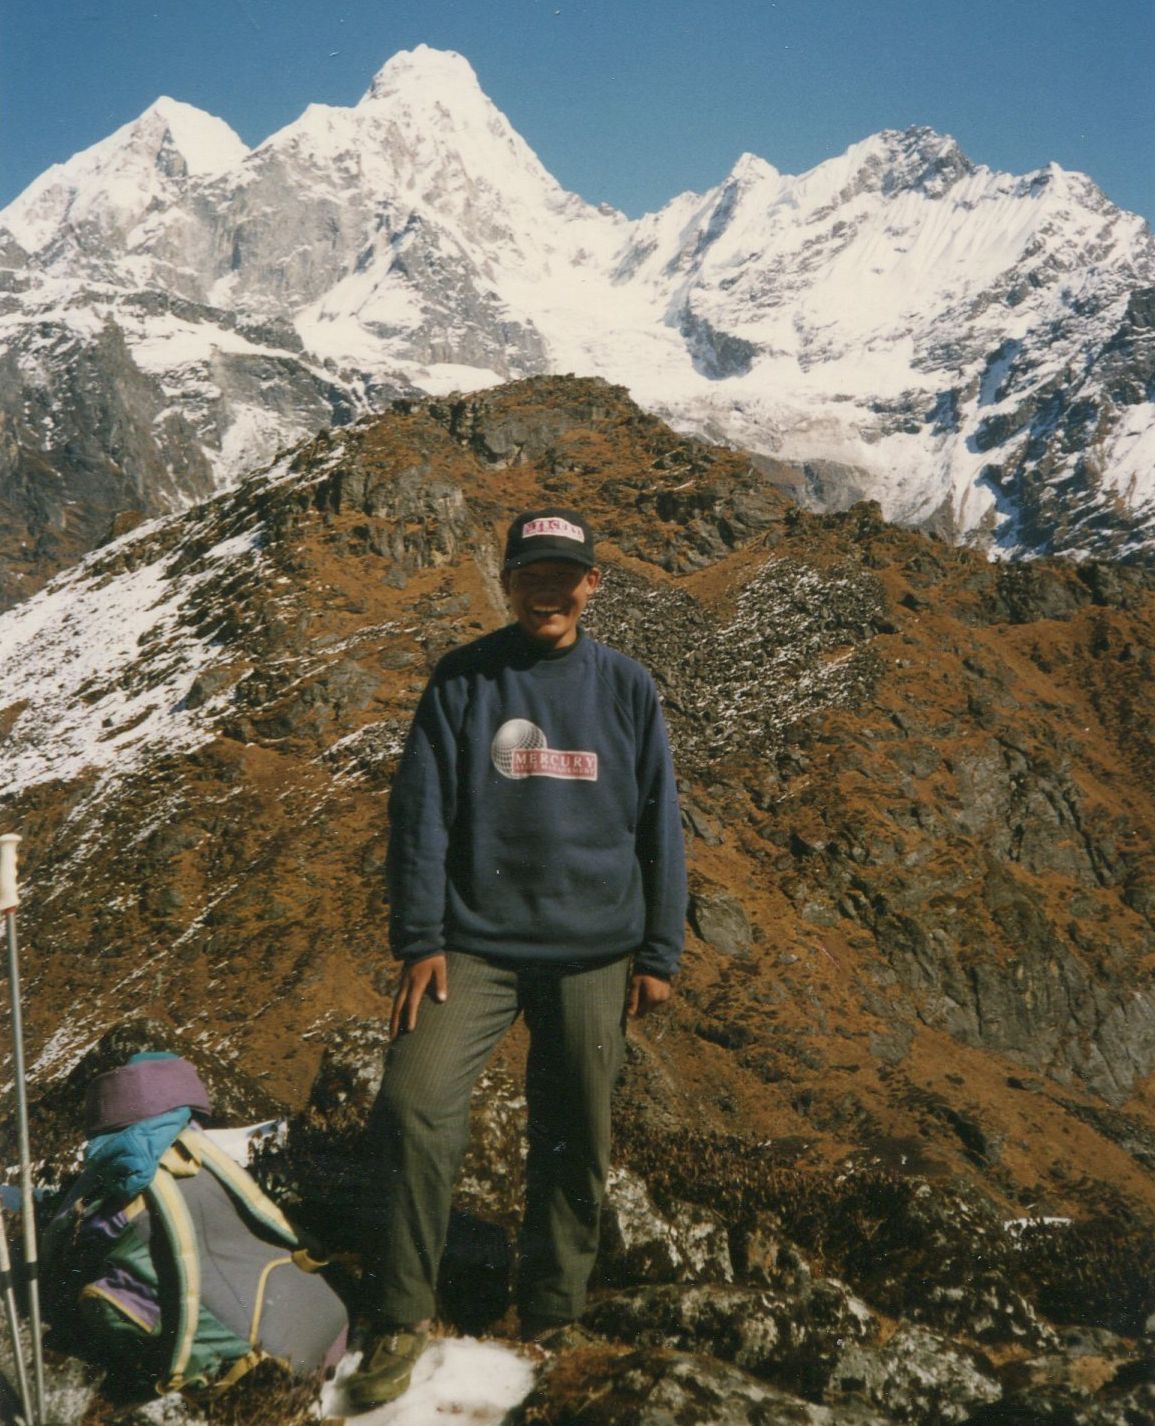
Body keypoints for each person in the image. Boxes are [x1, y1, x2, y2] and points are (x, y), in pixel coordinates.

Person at [348, 506, 687, 1409]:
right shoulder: (462, 681)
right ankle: (401, 1312)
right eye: (530, 572)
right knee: (414, 1103)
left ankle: (551, 1311)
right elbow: (419, 819)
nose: (547, 588)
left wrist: (659, 951)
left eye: (563, 572)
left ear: (591, 584)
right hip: (475, 948)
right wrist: (419, 940)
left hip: (594, 952)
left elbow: (659, 824)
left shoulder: (625, 686)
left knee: (576, 1130)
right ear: (507, 580)